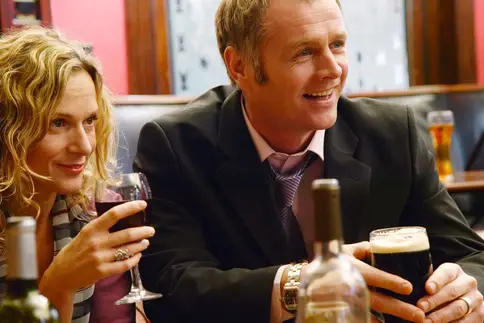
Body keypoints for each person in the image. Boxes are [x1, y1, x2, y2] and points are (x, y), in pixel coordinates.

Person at [134, 0, 484, 322]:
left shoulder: (392, 134)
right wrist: (301, 283)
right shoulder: (176, 146)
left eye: (337, 45)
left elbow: (472, 256)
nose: (333, 70)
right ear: (239, 66)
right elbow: (170, 290)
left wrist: (468, 291)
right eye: (304, 52)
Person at [0, 27, 155, 323]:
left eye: (89, 121)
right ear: (8, 129)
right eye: (58, 123)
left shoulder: (88, 209)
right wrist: (60, 282)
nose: (84, 146)